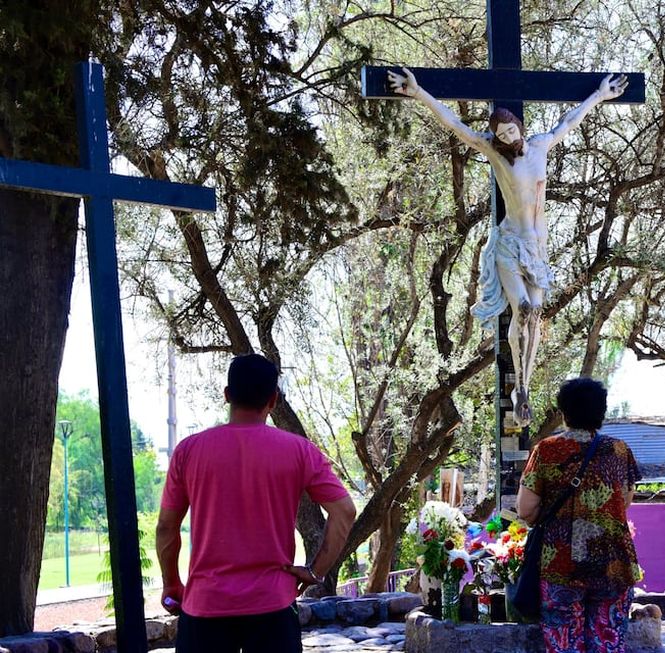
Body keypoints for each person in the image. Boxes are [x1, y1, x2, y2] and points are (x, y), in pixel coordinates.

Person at [387, 67, 628, 427]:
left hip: (538, 247)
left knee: (535, 316)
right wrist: (419, 93)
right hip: (510, 243)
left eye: (511, 130)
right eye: (501, 134)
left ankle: (524, 386)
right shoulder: (495, 152)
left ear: (519, 127)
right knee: (526, 308)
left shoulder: (541, 145)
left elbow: (570, 120)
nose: (507, 137)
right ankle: (522, 390)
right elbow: (457, 125)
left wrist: (599, 95)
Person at [156, 354, 357, 653]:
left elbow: (166, 528)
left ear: (227, 395)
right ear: (273, 400)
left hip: (205, 608)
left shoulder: (189, 451)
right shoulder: (299, 451)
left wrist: (171, 583)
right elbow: (345, 511)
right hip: (272, 608)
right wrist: (316, 571)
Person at [515, 378, 641, 653]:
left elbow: (525, 510)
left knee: (564, 643)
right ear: (601, 411)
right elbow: (625, 502)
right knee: (607, 641)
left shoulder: (547, 450)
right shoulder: (619, 450)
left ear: (564, 412)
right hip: (613, 562)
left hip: (561, 562)